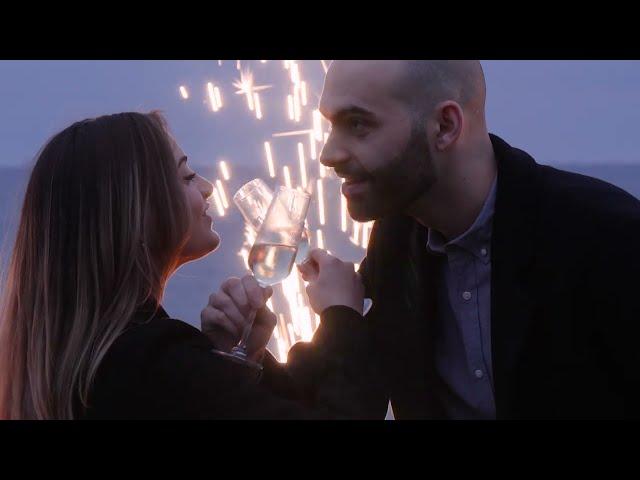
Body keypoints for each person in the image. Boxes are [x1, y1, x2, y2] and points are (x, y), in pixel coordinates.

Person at [203, 61, 640, 419]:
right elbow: (345, 395)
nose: (327, 154)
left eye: (358, 125)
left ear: (446, 126)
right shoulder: (394, 241)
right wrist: (249, 356)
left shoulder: (604, 236)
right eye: (331, 126)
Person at [0, 111, 377, 419]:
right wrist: (341, 315)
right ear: (137, 214)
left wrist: (235, 358)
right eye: (185, 175)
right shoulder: (152, 365)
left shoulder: (98, 359)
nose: (208, 187)